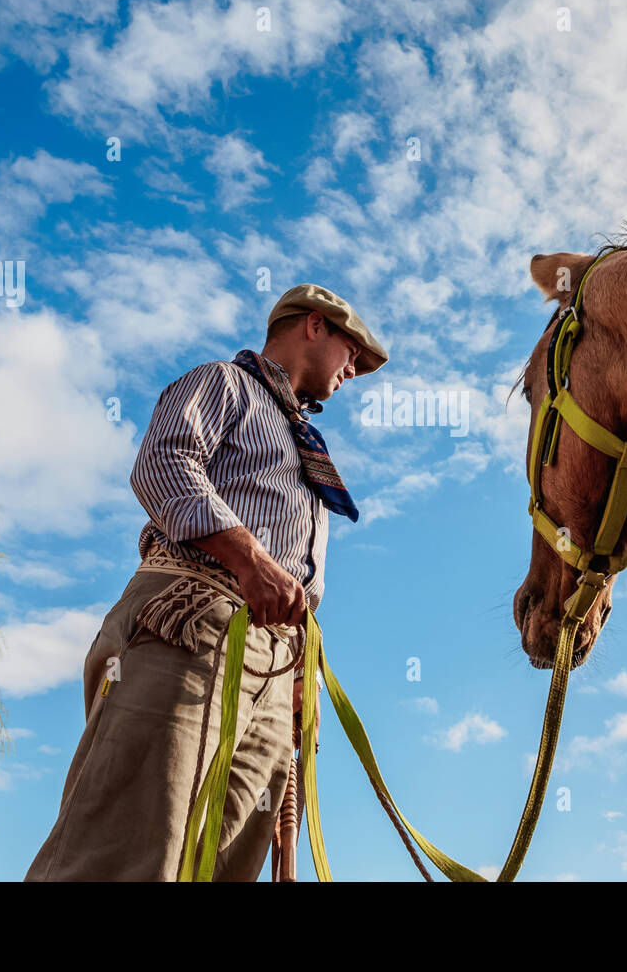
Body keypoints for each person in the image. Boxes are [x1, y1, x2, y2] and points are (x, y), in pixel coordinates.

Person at [24, 284, 388, 881]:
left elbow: (294, 580)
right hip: (191, 622)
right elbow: (165, 462)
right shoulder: (223, 383)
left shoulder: (304, 445)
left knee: (223, 869)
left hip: (274, 664)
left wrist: (298, 677)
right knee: (131, 851)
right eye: (354, 350)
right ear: (316, 326)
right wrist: (250, 559)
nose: (355, 369)